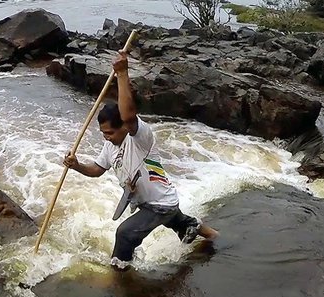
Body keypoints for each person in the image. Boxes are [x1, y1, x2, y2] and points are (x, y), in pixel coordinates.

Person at [63, 51, 219, 271]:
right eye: (103, 133)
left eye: (109, 132)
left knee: (125, 234)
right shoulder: (110, 146)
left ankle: (121, 277)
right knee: (183, 223)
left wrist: (123, 74)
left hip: (159, 204)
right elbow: (97, 170)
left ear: (124, 128)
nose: (105, 137)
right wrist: (76, 165)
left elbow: (128, 115)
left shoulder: (140, 138)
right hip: (154, 202)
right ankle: (216, 237)